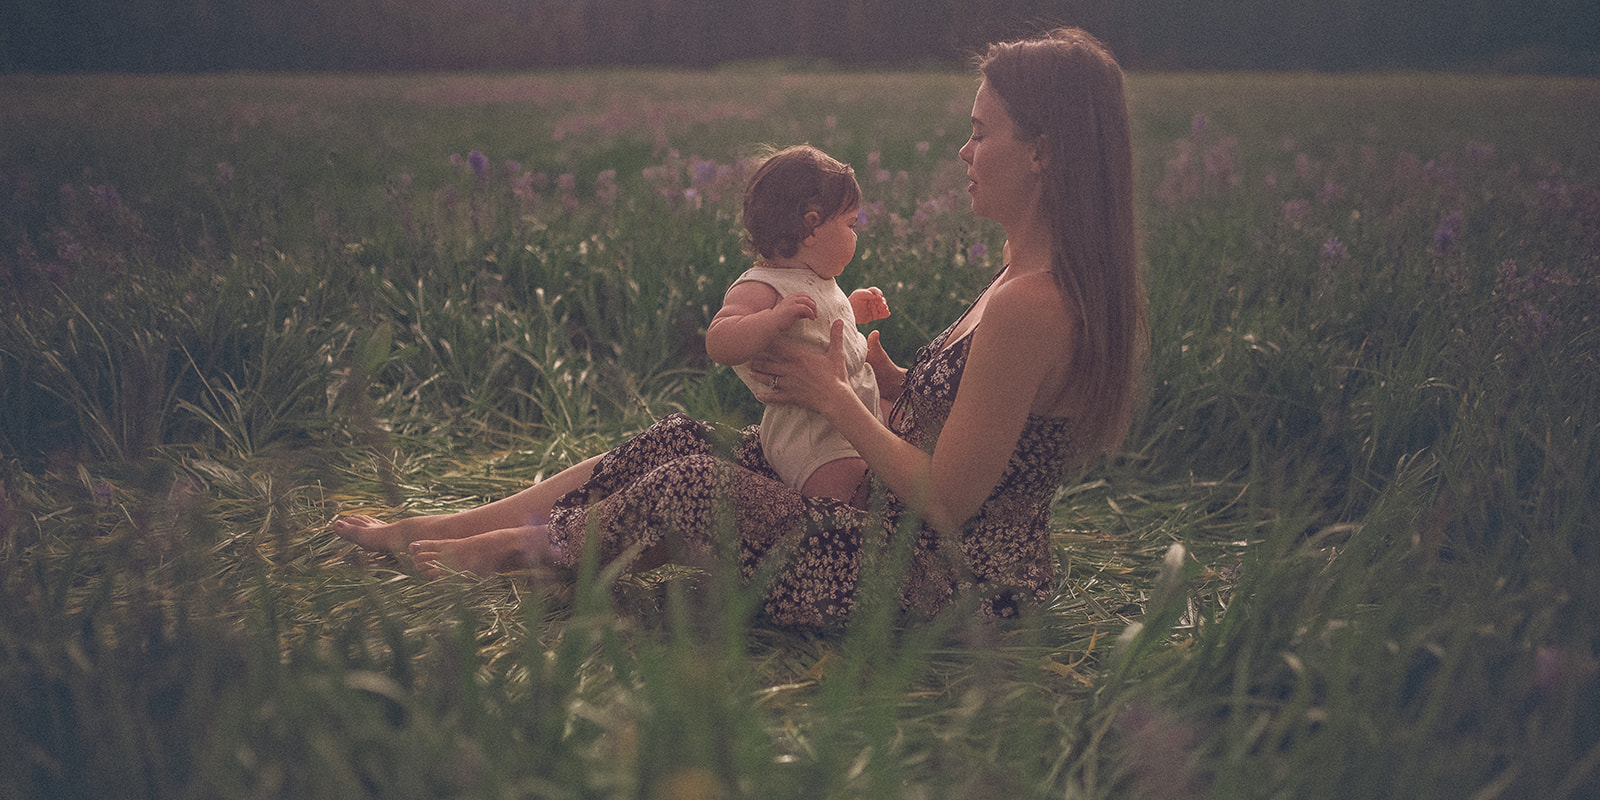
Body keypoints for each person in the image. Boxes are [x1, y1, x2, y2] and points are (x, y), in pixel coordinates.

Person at [334, 27, 1147, 630]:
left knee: (694, 486)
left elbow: (949, 498)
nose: (964, 151)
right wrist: (895, 386)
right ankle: (442, 527)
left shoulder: (1029, 304)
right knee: (679, 443)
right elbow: (977, 428)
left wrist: (837, 399)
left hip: (945, 583)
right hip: (887, 525)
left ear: (1041, 151)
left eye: (981, 131)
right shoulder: (1016, 280)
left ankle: (498, 552)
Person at [705, 144, 890, 507]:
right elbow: (719, 340)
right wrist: (772, 319)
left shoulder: (816, 280)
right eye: (851, 224)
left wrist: (849, 310)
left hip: (845, 423)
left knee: (876, 481)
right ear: (811, 228)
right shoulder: (762, 285)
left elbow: (814, 327)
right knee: (844, 500)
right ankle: (822, 541)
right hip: (812, 439)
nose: (857, 235)